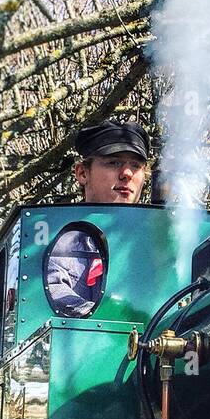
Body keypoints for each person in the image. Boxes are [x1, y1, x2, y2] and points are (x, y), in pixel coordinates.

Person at [45, 120, 150, 317]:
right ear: (82, 173)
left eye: (136, 166)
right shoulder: (62, 237)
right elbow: (54, 286)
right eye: (114, 162)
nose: (127, 174)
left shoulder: (154, 240)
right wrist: (108, 313)